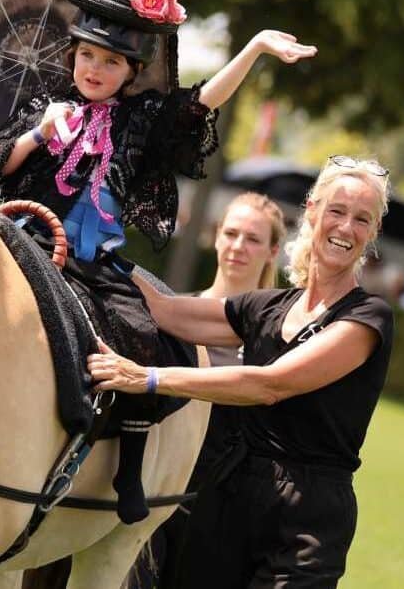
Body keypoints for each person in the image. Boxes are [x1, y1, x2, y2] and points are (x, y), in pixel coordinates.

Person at [0, 0, 315, 526]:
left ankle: (129, 462)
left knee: (143, 332)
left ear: (131, 70)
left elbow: (200, 104)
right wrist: (35, 136)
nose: (94, 70)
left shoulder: (141, 118)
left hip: (92, 263)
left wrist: (254, 47)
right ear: (73, 56)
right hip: (21, 239)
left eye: (109, 62)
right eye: (86, 56)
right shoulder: (40, 106)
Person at [88, 155, 394, 588]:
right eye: (337, 211)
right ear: (312, 211)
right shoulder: (267, 307)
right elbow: (165, 311)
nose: (346, 227)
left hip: (306, 520)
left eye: (362, 219)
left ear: (373, 233)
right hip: (227, 498)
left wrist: (149, 377)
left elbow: (269, 385)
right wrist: (101, 247)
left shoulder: (368, 317)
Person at [125, 192, 286, 588]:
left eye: (252, 238)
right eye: (230, 233)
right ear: (215, 237)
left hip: (227, 515)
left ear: (273, 251)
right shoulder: (172, 315)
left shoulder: (283, 336)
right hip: (154, 497)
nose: (238, 246)